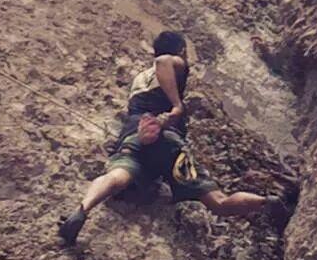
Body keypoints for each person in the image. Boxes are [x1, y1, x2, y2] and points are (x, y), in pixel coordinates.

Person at [58, 30, 290, 245]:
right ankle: (269, 203)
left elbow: (157, 66)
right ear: (180, 51)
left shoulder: (140, 79)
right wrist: (177, 106)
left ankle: (83, 209)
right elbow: (163, 61)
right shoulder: (173, 64)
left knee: (117, 176)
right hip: (169, 141)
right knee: (218, 202)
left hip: (137, 136)